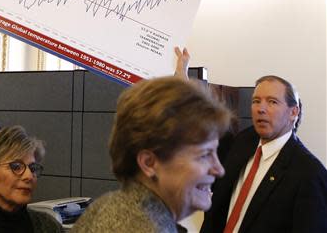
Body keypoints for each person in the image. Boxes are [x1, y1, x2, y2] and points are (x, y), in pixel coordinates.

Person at [175, 48, 327, 233]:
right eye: (256, 101)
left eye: (272, 102)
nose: (260, 109)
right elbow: (206, 132)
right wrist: (182, 90)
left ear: (293, 112)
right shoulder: (244, 141)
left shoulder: (310, 174)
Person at [71, 76, 232, 233]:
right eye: (204, 155)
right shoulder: (138, 226)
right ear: (149, 163)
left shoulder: (110, 206)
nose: (219, 169)